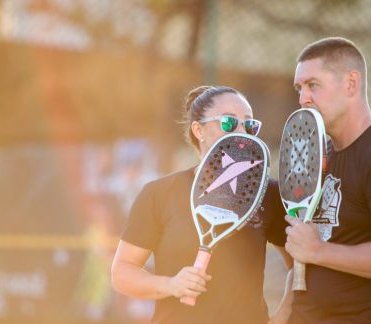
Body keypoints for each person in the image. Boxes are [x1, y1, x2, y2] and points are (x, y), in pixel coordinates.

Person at [111, 85, 291, 324]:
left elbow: (300, 265)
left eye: (249, 125)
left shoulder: (268, 192)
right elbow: (122, 272)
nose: (241, 131)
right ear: (199, 130)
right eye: (228, 122)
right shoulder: (160, 193)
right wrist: (171, 285)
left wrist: (283, 317)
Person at [280, 37, 371, 323]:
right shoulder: (316, 154)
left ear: (350, 84)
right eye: (299, 88)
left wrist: (318, 251)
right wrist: (284, 310)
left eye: (313, 85)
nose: (302, 98)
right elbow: (303, 242)